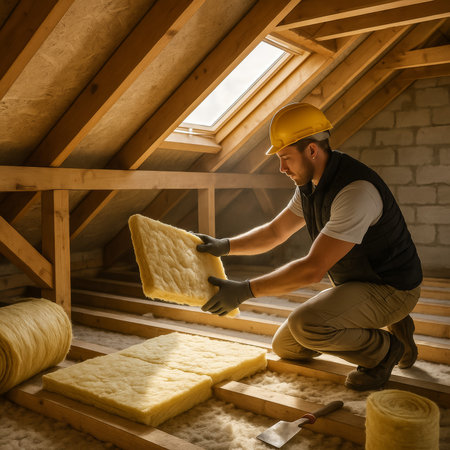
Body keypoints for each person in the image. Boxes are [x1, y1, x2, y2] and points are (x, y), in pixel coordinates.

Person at [196, 102, 422, 391]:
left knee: (307, 325)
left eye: (286, 157)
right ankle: (394, 324)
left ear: (312, 150)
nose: (281, 168)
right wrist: (225, 246)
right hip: (356, 283)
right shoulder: (310, 185)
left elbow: (313, 269)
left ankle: (385, 349)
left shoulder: (355, 192)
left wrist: (245, 290)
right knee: (287, 345)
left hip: (392, 288)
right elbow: (276, 231)